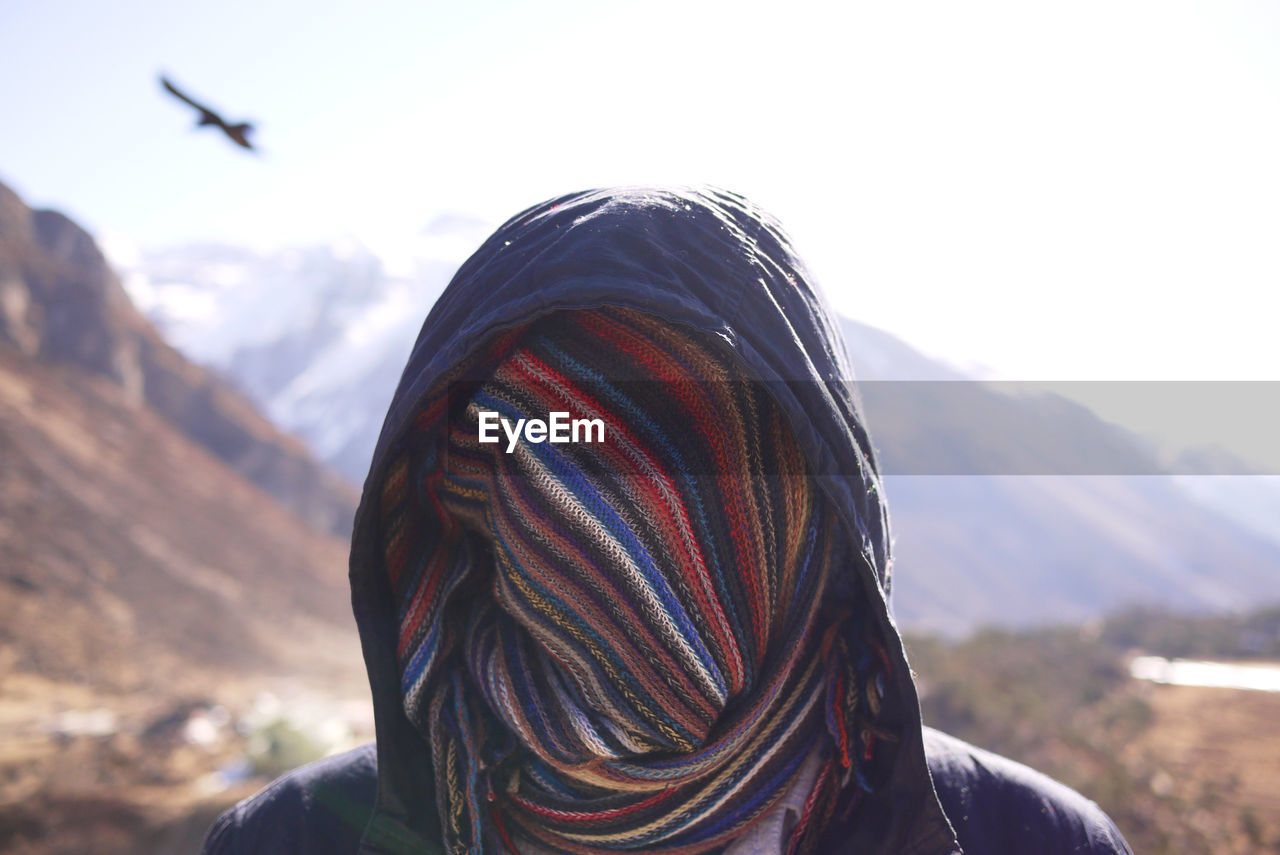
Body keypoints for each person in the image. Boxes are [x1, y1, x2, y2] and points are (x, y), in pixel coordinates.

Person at [200, 187, 1134, 854]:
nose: (611, 511)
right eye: (550, 440)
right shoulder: (290, 839)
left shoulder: (1032, 839)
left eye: (693, 441)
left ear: (813, 491)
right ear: (468, 492)